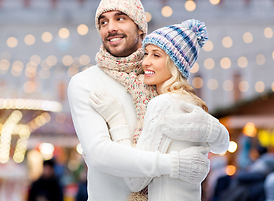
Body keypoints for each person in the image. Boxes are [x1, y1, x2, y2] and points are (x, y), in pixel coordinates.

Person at [68, 0, 217, 200]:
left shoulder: (159, 76)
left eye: (120, 18)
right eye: (103, 22)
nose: (111, 28)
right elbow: (99, 153)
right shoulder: (86, 82)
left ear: (140, 27)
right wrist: (174, 165)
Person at [89, 19, 230, 200]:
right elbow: (221, 144)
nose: (145, 62)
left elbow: (135, 180)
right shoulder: (191, 104)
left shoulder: (163, 104)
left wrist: (117, 119)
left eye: (156, 55)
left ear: (175, 64)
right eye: (146, 54)